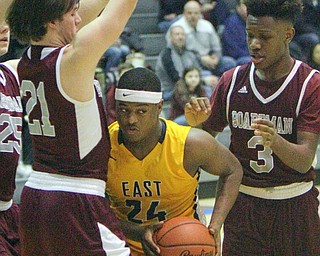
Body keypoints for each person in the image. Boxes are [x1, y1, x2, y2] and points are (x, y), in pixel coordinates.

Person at [185, 0, 320, 255]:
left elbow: (304, 161)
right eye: (250, 35)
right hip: (244, 206)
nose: (254, 44)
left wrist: (276, 141)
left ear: (288, 35)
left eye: (264, 37)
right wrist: (195, 125)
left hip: (294, 207)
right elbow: (204, 146)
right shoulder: (231, 80)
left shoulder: (310, 85)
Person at [6, 0, 138, 255]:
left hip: (35, 197)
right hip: (76, 198)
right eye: (73, 14)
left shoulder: (25, 62)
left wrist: (71, 7)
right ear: (52, 21)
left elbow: (78, 11)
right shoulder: (72, 58)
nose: (79, 19)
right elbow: (120, 11)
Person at [105, 67, 243, 256]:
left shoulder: (189, 143)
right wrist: (137, 232)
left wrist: (216, 225)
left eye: (141, 111)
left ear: (159, 107)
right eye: (124, 110)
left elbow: (233, 170)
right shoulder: (102, 146)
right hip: (123, 246)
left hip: (184, 243)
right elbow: (92, 210)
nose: (131, 119)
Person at [0, 1, 22, 255]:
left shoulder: (10, 73)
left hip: (8, 211)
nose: (5, 28)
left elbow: (66, 38)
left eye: (7, 22)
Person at [170, 1, 236, 77]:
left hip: (210, 59)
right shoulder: (177, 28)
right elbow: (180, 52)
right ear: (184, 13)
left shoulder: (207, 25)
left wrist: (216, 58)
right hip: (191, 62)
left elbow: (217, 47)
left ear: (200, 13)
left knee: (230, 63)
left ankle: (223, 85)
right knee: (203, 73)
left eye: (196, 13)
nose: (193, 16)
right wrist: (200, 58)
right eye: (189, 13)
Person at [156, 25, 218, 102]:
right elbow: (176, 79)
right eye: (177, 34)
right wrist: (203, 82)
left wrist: (209, 80)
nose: (180, 37)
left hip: (190, 85)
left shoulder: (190, 53)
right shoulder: (166, 55)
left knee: (209, 76)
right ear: (171, 38)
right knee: (206, 88)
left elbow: (197, 72)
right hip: (170, 90)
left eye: (182, 34)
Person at [222, 0, 251, 65]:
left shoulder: (254, 22)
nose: (249, 8)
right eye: (245, 6)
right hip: (238, 58)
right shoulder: (231, 23)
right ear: (238, 7)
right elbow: (233, 49)